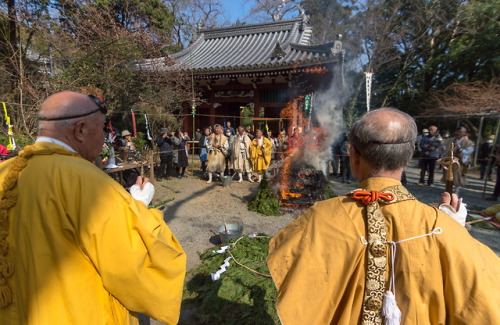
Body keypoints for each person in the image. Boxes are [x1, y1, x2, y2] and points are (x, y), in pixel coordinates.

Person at [268, 107, 500, 325]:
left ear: (353, 154)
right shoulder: (441, 227)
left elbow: (287, 280)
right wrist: (456, 233)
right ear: (409, 156)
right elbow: (485, 304)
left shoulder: (319, 217)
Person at [0, 91, 186, 324]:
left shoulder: (5, 172)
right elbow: (133, 269)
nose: (104, 138)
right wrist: (138, 207)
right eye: (102, 130)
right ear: (80, 130)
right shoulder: (90, 184)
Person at [440, 127, 474, 195]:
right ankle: (447, 190)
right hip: (449, 161)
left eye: (460, 132)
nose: (458, 133)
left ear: (464, 133)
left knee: (458, 177)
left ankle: (456, 191)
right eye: (457, 131)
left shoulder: (468, 142)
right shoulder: (450, 140)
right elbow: (443, 145)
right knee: (448, 175)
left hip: (459, 162)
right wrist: (444, 148)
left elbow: (468, 151)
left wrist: (460, 150)